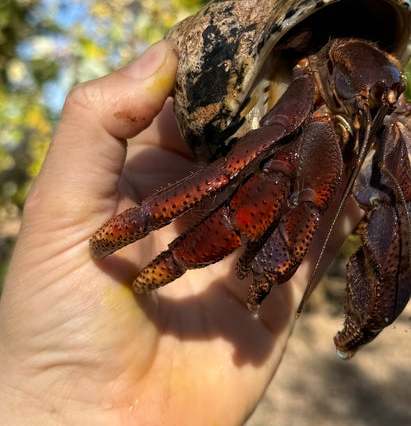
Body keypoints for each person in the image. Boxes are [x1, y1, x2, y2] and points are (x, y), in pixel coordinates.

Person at [0, 41, 358, 425]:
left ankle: (369, 321)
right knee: (273, 171)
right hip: (300, 95)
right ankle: (156, 243)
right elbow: (230, 169)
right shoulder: (311, 75)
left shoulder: (378, 105)